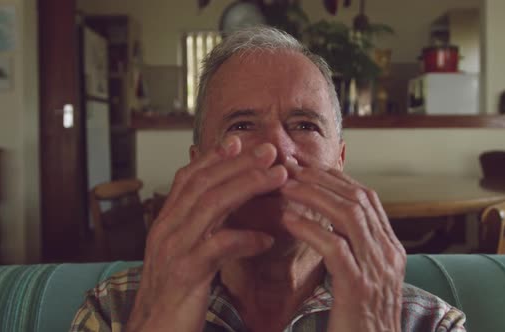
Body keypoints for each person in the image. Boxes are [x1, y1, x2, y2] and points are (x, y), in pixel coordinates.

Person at [70, 27, 466, 332]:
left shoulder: (431, 324)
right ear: (196, 166)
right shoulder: (113, 312)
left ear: (340, 161)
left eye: (306, 125)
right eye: (241, 124)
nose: (276, 150)